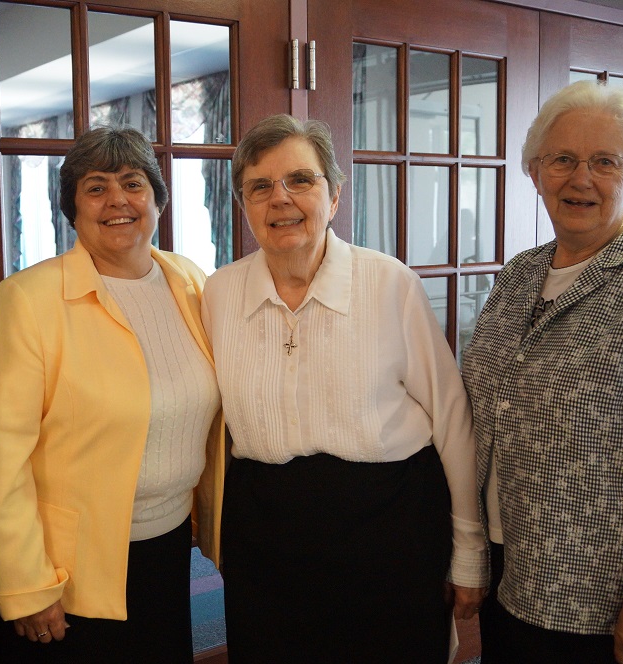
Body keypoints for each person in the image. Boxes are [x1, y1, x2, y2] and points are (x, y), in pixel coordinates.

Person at [201, 114, 487, 663]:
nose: (280, 199)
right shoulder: (219, 293)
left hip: (390, 531)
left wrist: (468, 553)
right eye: (259, 187)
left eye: (300, 180)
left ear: (334, 196)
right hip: (265, 539)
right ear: (243, 206)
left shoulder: (390, 283)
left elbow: (453, 422)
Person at [461, 79, 623, 664]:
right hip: (513, 569)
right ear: (535, 172)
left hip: (601, 599)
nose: (581, 178)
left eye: (605, 162)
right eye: (562, 160)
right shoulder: (520, 275)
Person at [0, 125, 224, 663]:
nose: (117, 201)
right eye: (95, 187)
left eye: (133, 183)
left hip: (170, 545)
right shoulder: (29, 299)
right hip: (68, 567)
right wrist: (26, 582)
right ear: (72, 207)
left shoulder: (190, 281)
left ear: (157, 198)